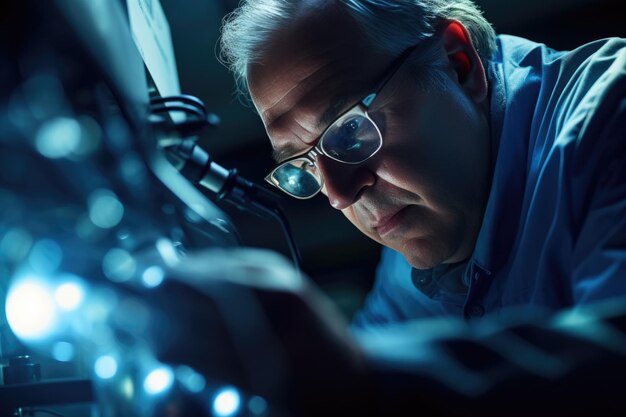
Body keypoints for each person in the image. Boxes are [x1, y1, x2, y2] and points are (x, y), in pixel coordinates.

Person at [216, 0, 626, 414]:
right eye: (305, 166)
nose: (340, 196)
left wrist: (361, 380)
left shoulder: (612, 116)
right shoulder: (421, 229)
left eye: (350, 129)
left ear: (458, 62)